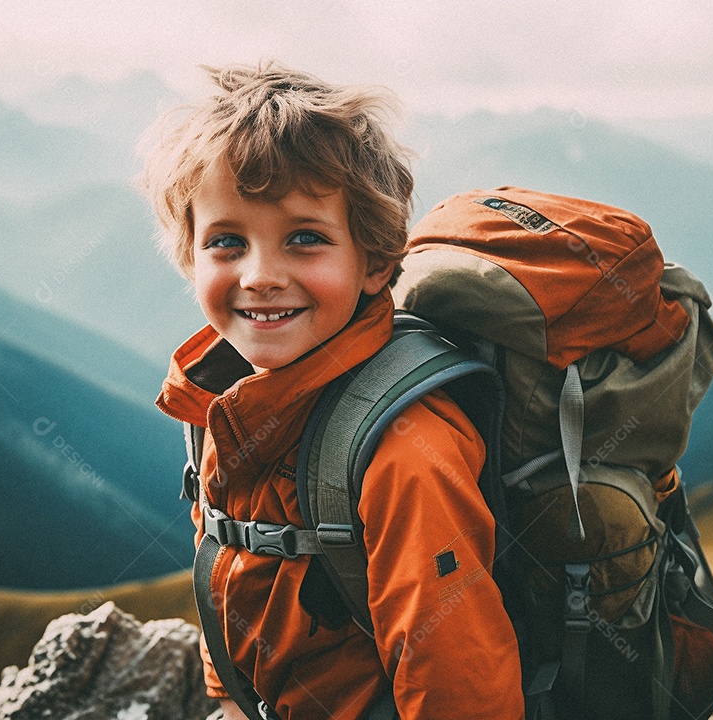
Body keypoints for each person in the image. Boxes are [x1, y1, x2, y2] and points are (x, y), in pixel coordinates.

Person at [141, 61, 523, 720]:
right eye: (227, 242)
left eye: (304, 239)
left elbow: (457, 683)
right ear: (190, 256)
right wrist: (227, 698)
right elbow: (225, 557)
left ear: (374, 261)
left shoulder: (406, 449)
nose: (259, 276)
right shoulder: (222, 399)